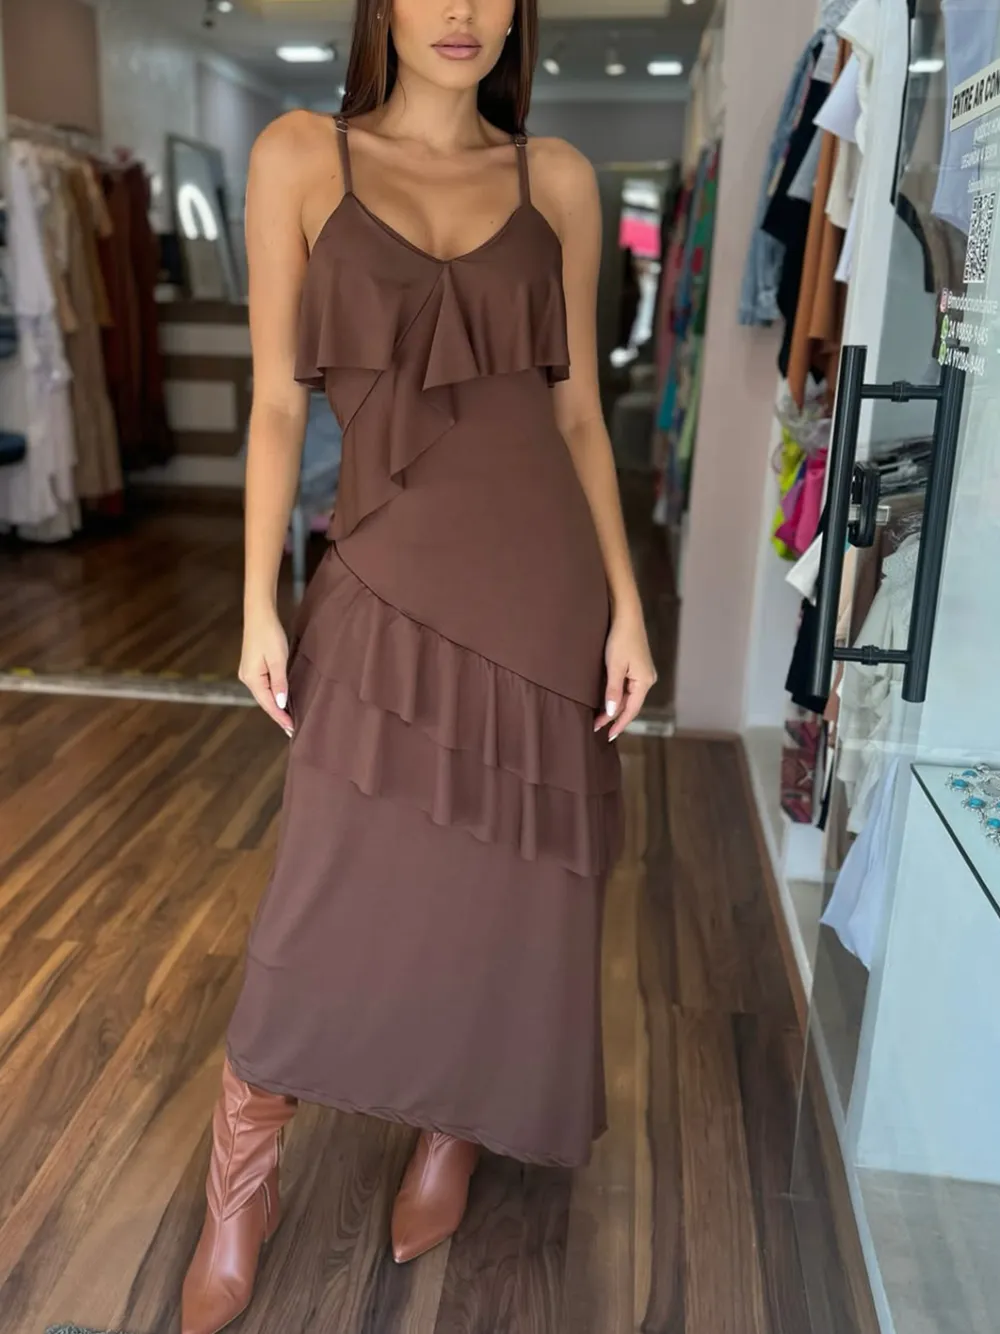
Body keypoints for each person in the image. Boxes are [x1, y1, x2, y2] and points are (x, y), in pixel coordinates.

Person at [180, 1, 656, 1330]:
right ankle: (240, 1181)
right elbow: (278, 404)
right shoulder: (298, 155)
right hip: (382, 583)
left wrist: (625, 606)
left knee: (509, 889)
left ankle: (455, 1128)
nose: (461, 13)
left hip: (542, 590)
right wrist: (257, 601)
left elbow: (578, 413)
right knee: (325, 888)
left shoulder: (556, 179)